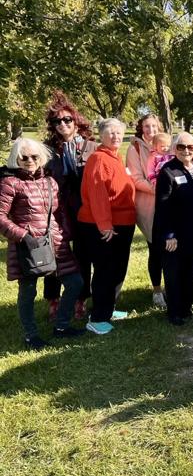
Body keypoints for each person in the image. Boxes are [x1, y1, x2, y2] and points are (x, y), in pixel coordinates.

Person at [0, 138, 85, 349]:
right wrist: (23, 236)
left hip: (55, 242)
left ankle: (62, 326)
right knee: (28, 292)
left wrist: (65, 232)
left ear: (42, 158)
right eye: (24, 157)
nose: (30, 160)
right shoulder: (10, 183)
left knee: (75, 282)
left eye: (34, 156)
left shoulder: (50, 181)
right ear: (16, 159)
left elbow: (60, 211)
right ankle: (31, 336)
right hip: (27, 246)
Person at [77, 118, 137, 335]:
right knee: (105, 270)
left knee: (117, 269)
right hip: (103, 225)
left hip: (122, 223)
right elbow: (97, 194)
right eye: (111, 132)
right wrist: (104, 224)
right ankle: (97, 318)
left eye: (119, 132)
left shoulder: (115, 157)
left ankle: (108, 308)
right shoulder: (98, 158)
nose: (116, 136)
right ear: (101, 135)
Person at [42, 91, 97, 320]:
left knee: (83, 255)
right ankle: (53, 299)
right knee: (55, 254)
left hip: (83, 209)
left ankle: (80, 299)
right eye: (57, 121)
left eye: (67, 119)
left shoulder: (91, 147)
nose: (63, 124)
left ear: (76, 121)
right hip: (56, 210)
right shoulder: (46, 150)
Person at [154, 133, 193, 325]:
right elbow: (163, 206)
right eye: (181, 147)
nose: (186, 150)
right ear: (174, 149)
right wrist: (169, 235)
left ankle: (186, 308)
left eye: (190, 147)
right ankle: (174, 312)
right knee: (174, 273)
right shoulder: (168, 171)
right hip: (174, 234)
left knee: (190, 271)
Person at [126, 114, 167, 308]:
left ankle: (172, 285)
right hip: (149, 206)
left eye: (154, 126)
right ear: (141, 128)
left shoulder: (166, 144)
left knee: (171, 247)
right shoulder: (134, 148)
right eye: (147, 126)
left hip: (169, 205)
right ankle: (157, 289)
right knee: (155, 248)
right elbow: (136, 178)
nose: (151, 130)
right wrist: (160, 189)